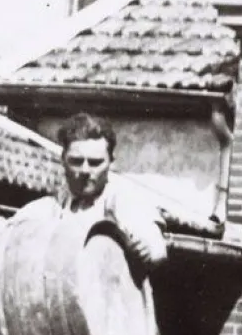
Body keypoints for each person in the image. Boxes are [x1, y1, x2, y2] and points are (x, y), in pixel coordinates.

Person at [51, 112, 170, 276]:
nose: (85, 170)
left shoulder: (122, 196)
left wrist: (147, 248)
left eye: (95, 163)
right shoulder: (58, 200)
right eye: (76, 161)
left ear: (111, 162)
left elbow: (154, 243)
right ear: (63, 159)